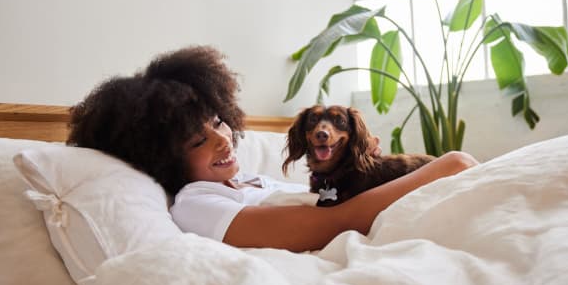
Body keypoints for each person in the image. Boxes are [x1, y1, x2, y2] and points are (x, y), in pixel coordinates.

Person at [68, 46, 479, 252]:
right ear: (163, 158)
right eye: (198, 140)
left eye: (217, 121)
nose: (223, 139)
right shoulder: (196, 203)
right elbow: (333, 223)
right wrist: (444, 167)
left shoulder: (249, 180)